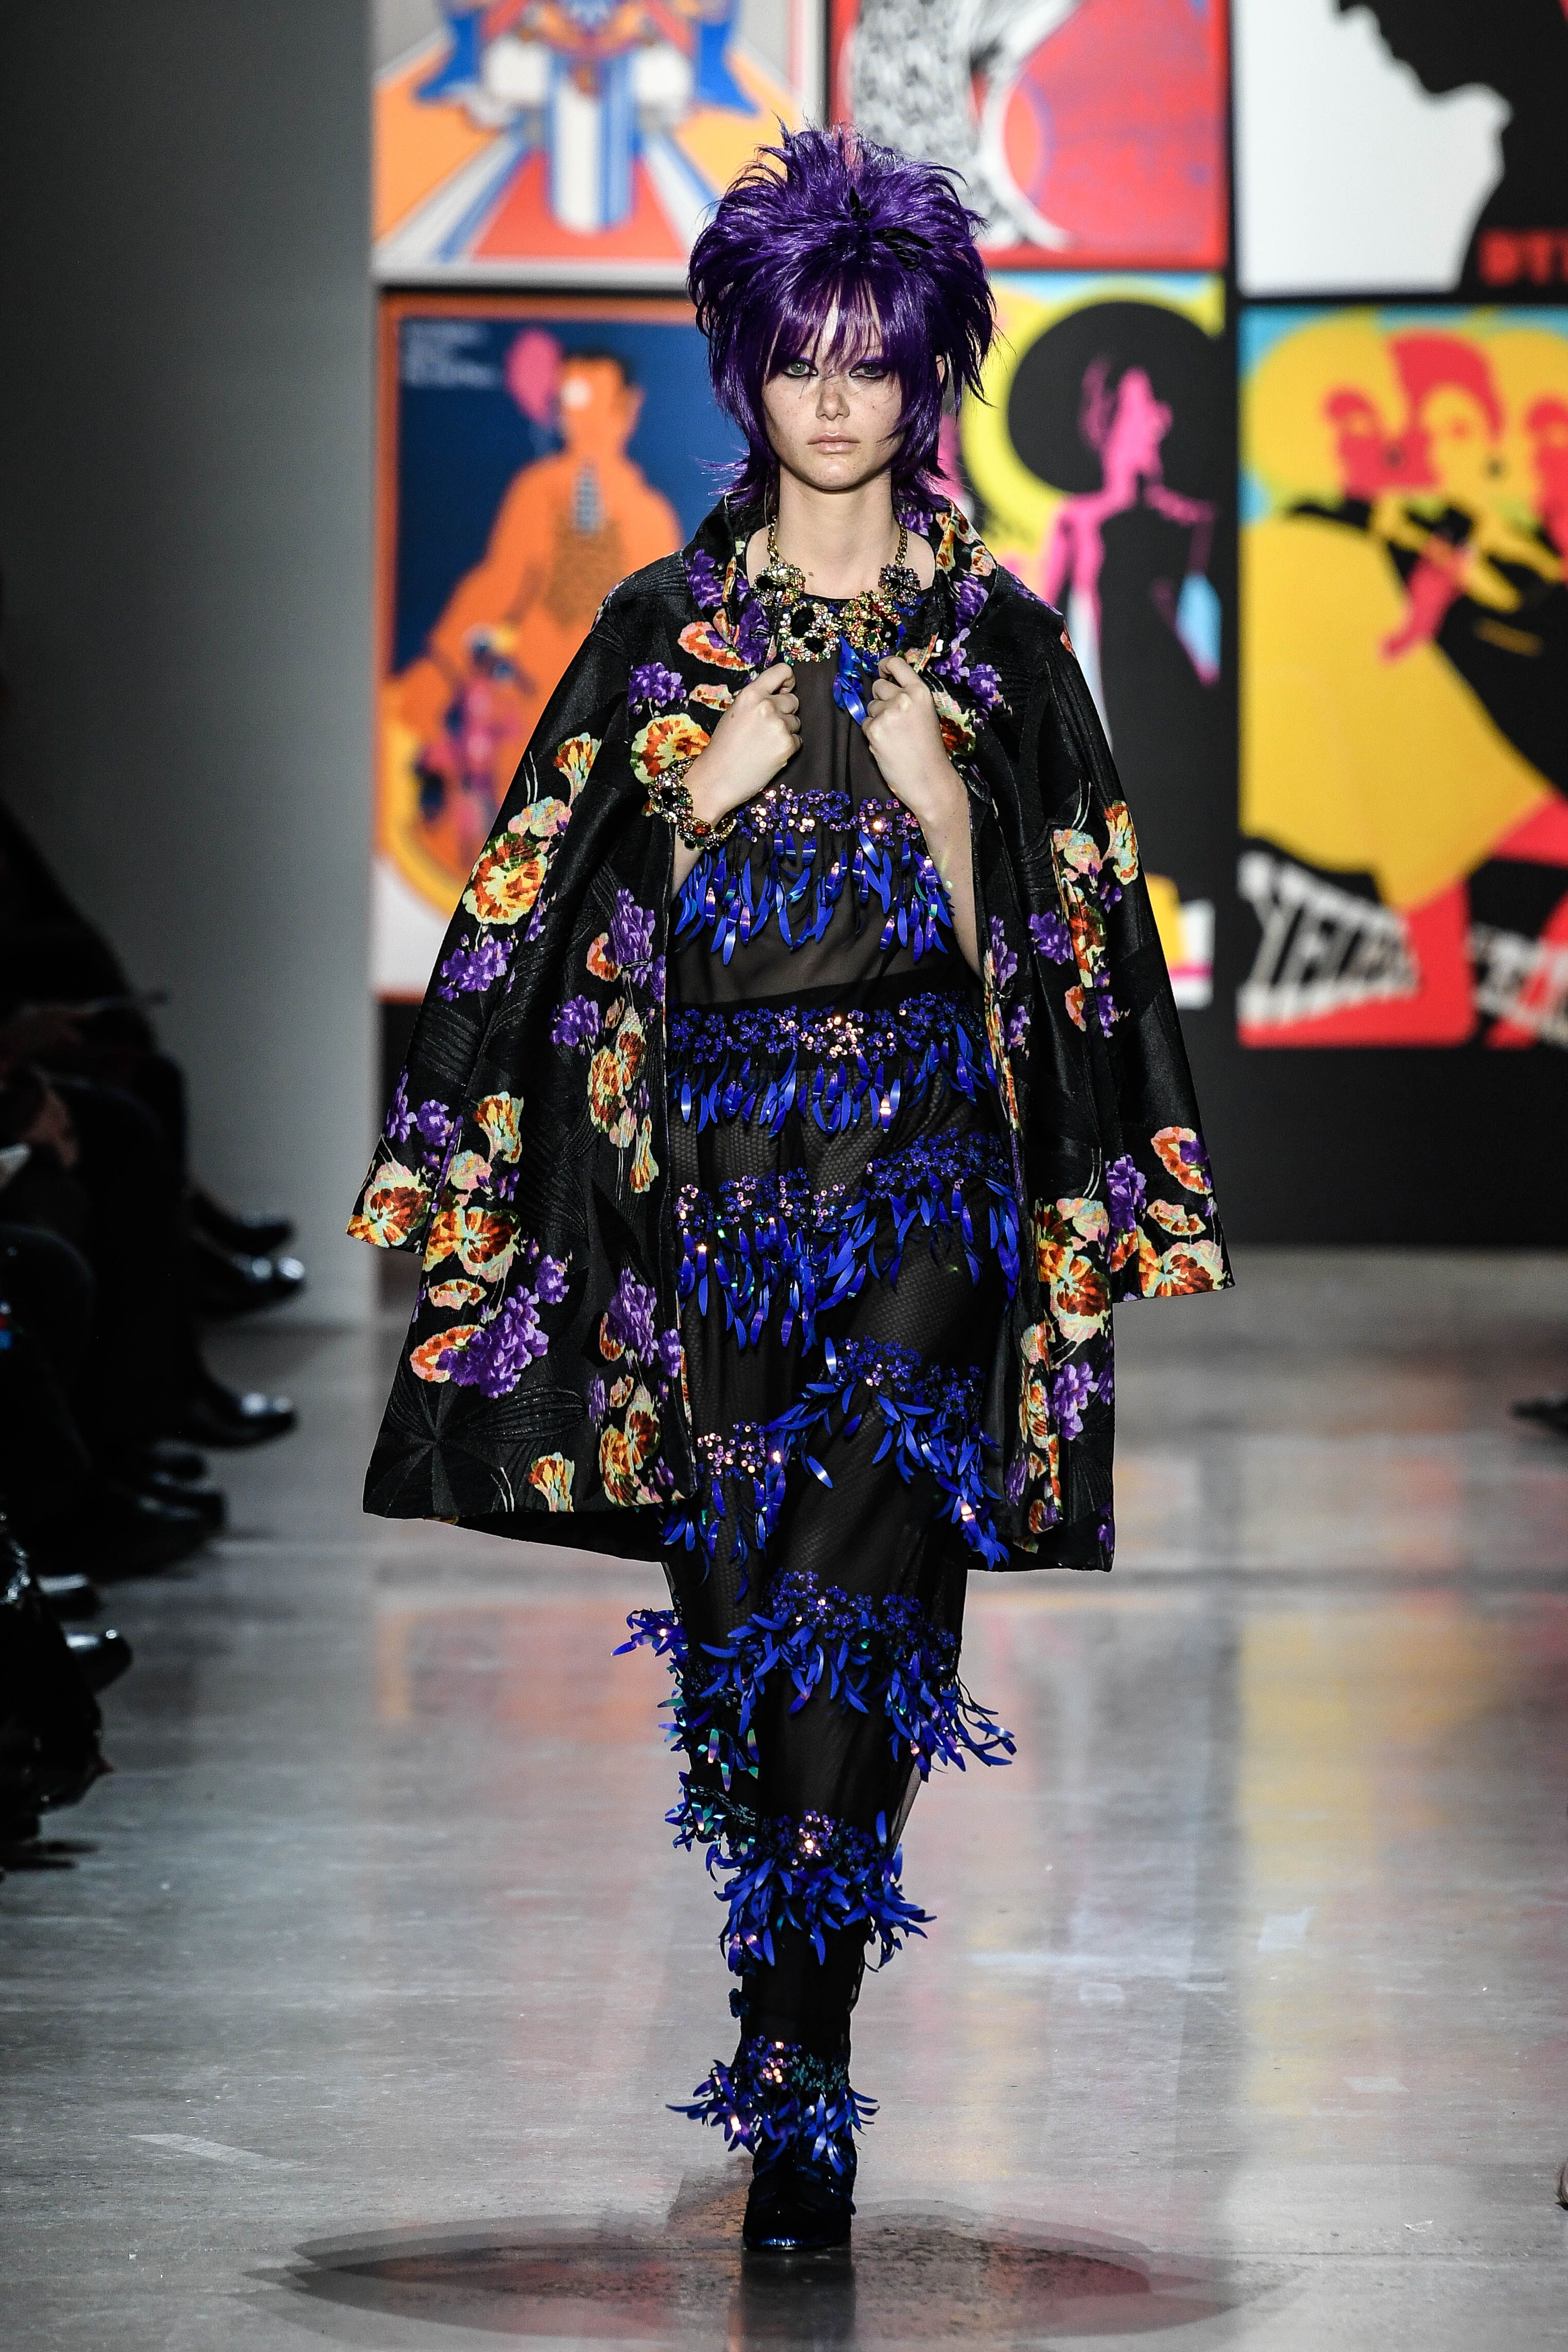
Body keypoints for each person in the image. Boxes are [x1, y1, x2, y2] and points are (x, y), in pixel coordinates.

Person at [350, 126, 1228, 2253]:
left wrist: (942, 815)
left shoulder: (1001, 649)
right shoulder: (657, 637)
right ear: (743, 372)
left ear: (929, 378)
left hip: (923, 1185)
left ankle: (805, 2067)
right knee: (747, 1615)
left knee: (859, 1602)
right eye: (799, 356)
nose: (835, 396)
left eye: (874, 358)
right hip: (714, 1196)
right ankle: (784, 1997)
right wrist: (689, 812)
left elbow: (1078, 959)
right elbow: (535, 941)